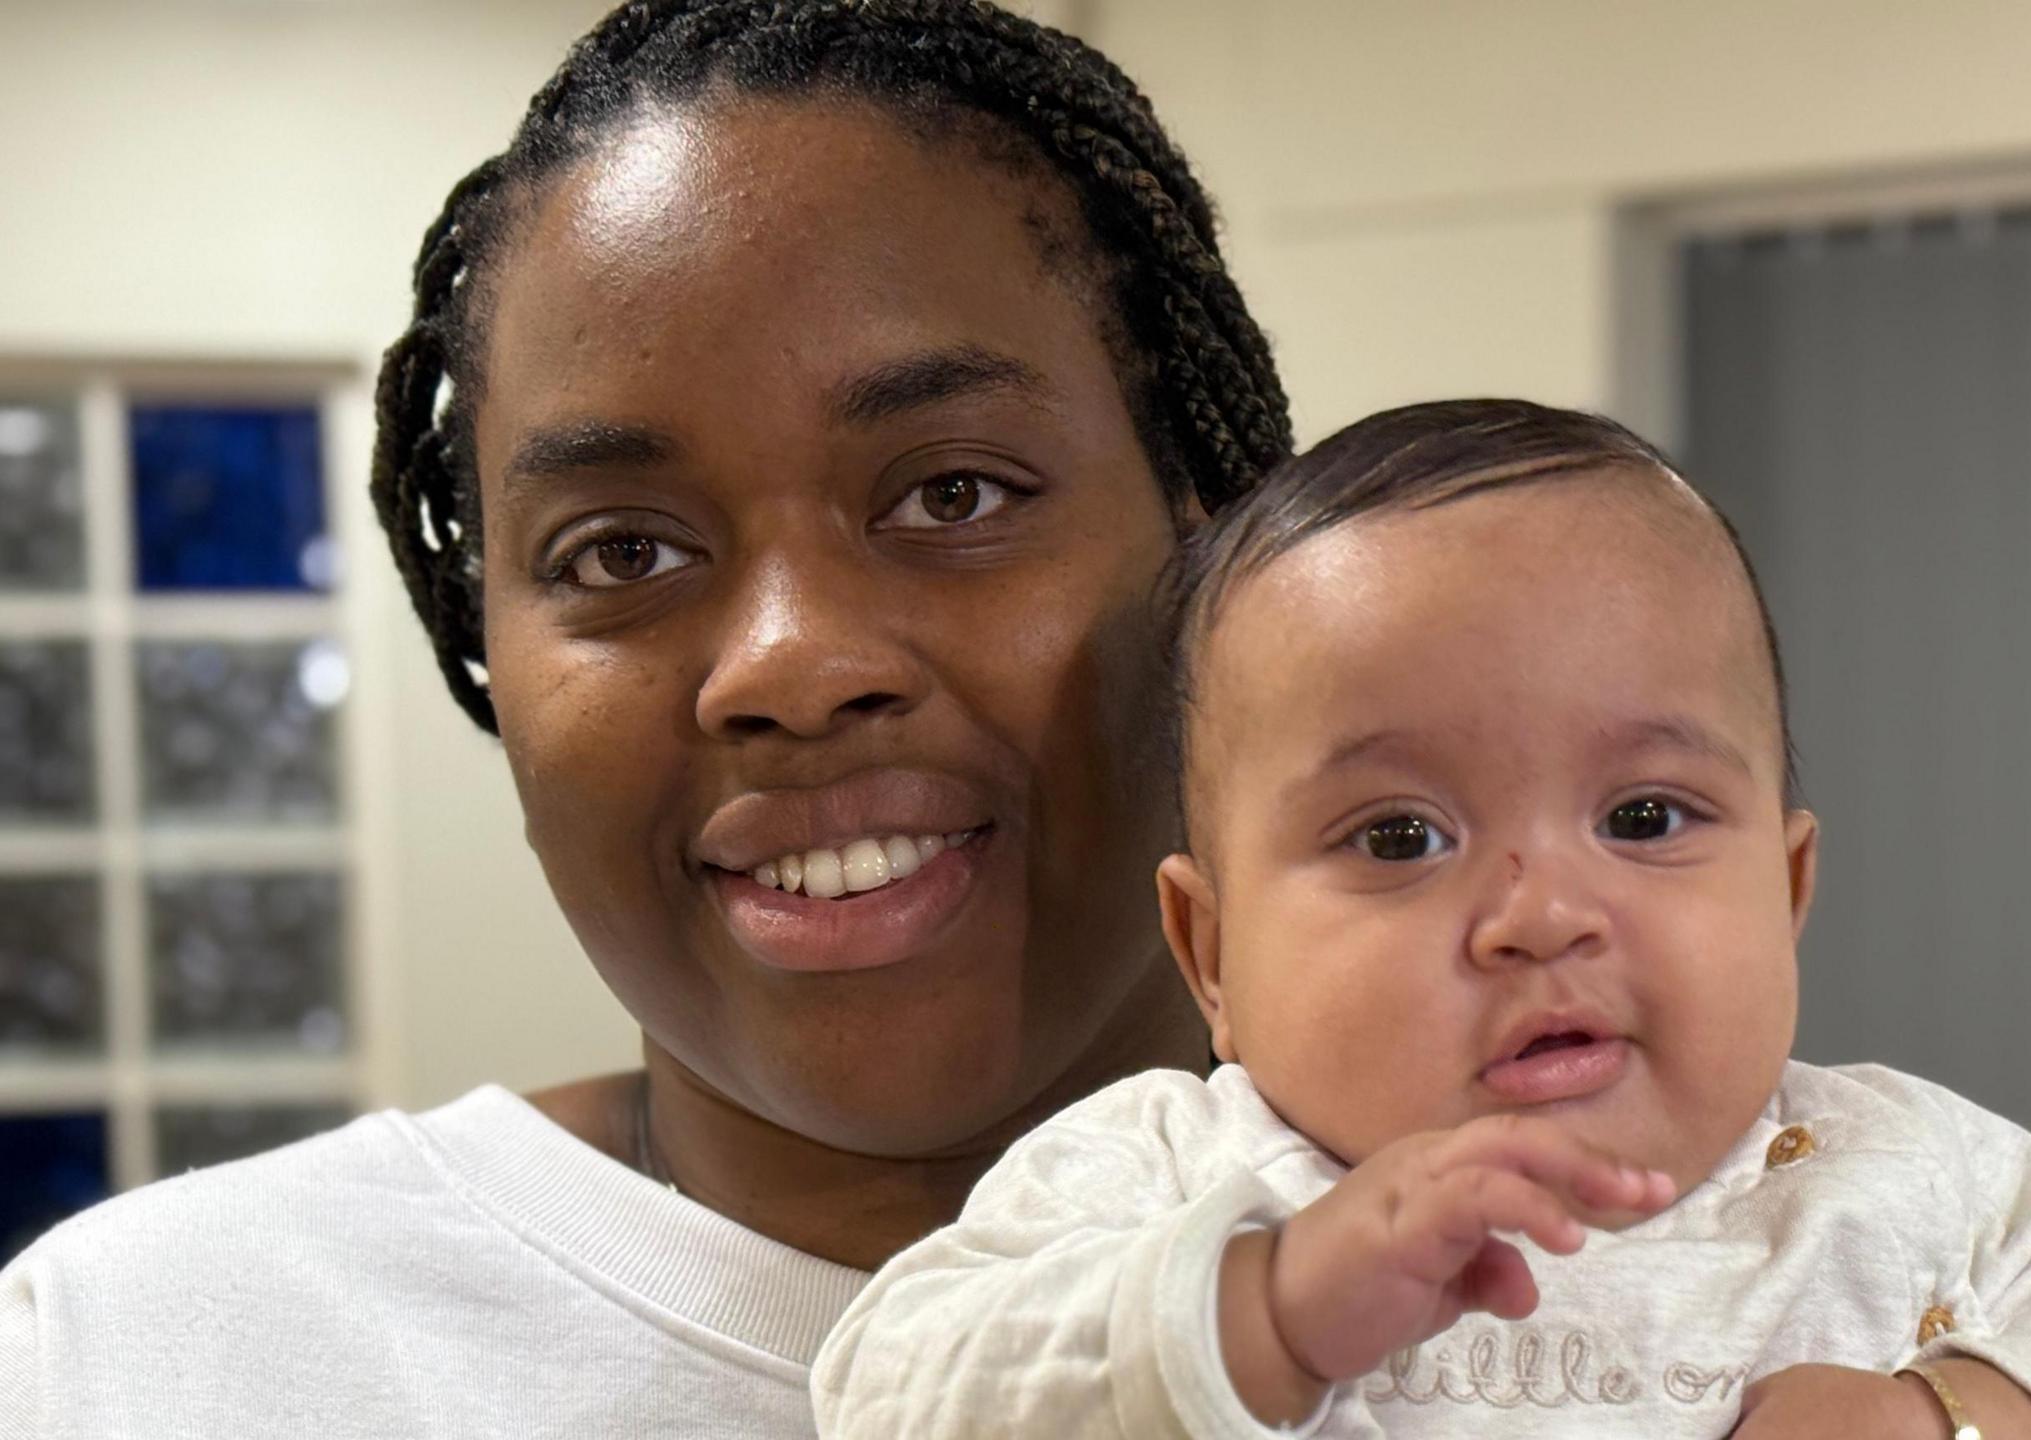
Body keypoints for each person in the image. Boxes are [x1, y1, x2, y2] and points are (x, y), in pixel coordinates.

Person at [0, 2, 1291, 1434]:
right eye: (623, 554)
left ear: (1220, 533)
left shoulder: (1557, 1300)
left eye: (953, 494)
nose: (792, 667)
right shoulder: (148, 1361)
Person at [814, 400, 2031, 1438]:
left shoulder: (1915, 1177)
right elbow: (887, 1394)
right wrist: (1269, 1307)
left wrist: (1950, 1416)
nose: (1540, 917)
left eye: (1644, 818)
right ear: (1213, 958)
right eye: (1400, 836)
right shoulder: (1167, 1174)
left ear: (1786, 893)